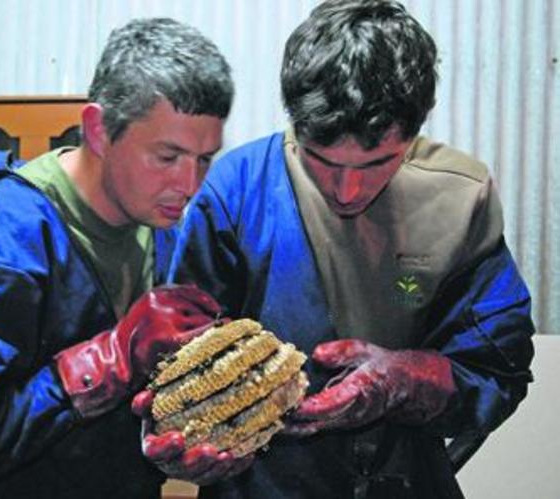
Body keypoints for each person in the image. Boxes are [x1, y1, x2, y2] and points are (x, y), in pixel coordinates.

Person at [139, 1, 536, 497]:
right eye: (321, 161)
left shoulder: (461, 197)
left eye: (378, 162)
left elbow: (498, 370)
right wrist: (181, 435)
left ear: (416, 131)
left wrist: (406, 381)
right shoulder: (230, 192)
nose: (347, 191)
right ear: (295, 124)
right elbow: (175, 364)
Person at [0, 17, 235, 499]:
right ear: (99, 131)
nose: (189, 186)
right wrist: (107, 360)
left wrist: (164, 438)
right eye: (167, 157)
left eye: (205, 159)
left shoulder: (157, 222)